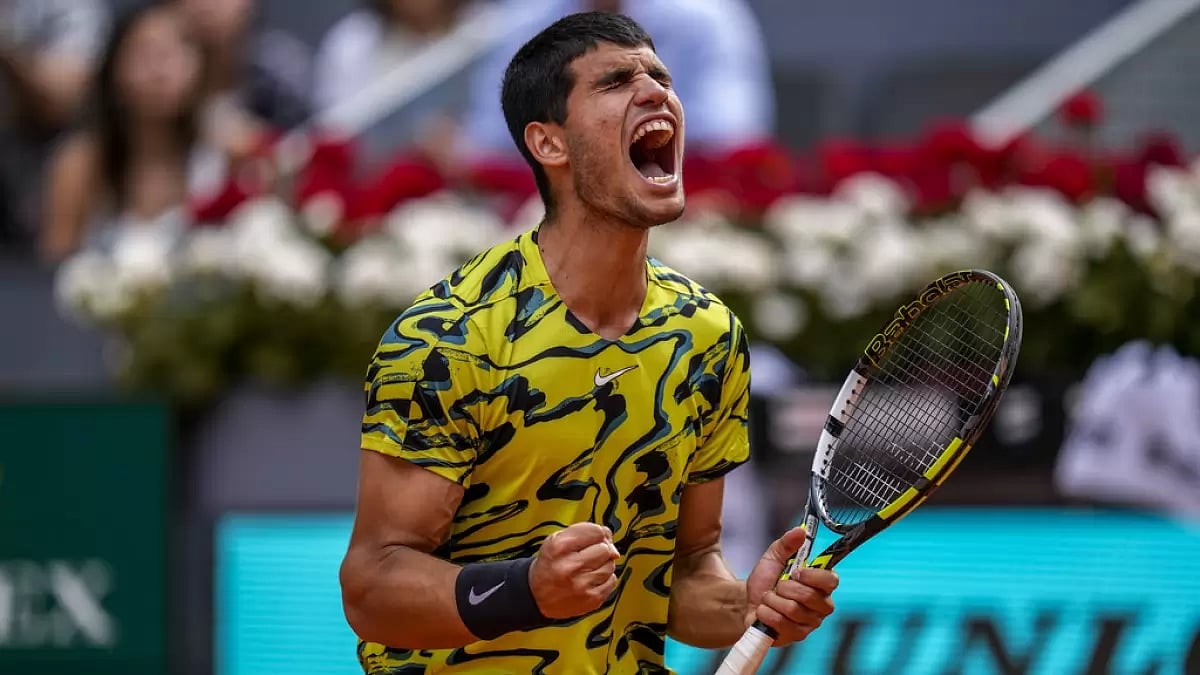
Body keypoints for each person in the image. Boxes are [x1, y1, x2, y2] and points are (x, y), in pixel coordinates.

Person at [339, 12, 837, 674]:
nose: (655, 91)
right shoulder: (451, 335)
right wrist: (526, 590)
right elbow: (372, 585)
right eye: (617, 81)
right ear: (550, 144)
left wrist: (746, 606)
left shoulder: (706, 336)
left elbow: (686, 573)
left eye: (660, 75)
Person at [39, 3, 210, 262]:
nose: (159, 71)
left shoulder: (227, 155)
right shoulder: (81, 164)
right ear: (114, 69)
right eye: (145, 54)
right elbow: (53, 270)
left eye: (173, 54)